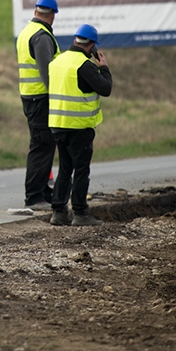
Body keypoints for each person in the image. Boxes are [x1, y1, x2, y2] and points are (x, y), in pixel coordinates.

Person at [47, 24, 112, 227]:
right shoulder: (84, 65)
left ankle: (58, 211)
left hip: (58, 124)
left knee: (65, 168)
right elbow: (106, 88)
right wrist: (104, 68)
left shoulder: (57, 62)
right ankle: (81, 213)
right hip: (79, 126)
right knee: (81, 169)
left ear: (76, 40)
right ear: (91, 45)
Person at [16, 0, 60, 211]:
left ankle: (42, 191)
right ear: (52, 15)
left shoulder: (26, 32)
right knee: (41, 146)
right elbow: (47, 73)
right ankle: (34, 196)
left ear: (36, 11)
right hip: (40, 98)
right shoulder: (41, 37)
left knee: (44, 145)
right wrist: (58, 97)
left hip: (31, 96)